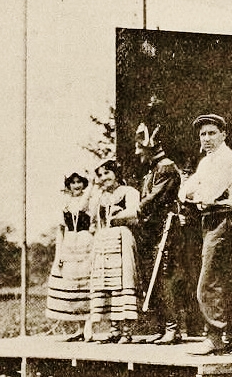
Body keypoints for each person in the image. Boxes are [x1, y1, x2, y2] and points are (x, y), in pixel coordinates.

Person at [178, 114, 232, 355]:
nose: (206, 138)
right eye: (202, 134)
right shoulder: (206, 162)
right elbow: (185, 190)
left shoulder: (228, 159)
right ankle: (230, 337)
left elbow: (208, 194)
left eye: (211, 133)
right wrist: (193, 194)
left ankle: (216, 336)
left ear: (223, 135)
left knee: (209, 281)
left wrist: (196, 196)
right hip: (210, 220)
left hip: (224, 219)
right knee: (219, 281)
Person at [134, 118, 187, 344]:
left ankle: (173, 328)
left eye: (141, 149)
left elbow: (152, 201)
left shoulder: (165, 168)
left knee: (163, 276)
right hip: (152, 230)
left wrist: (132, 211)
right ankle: (162, 325)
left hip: (166, 229)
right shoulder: (152, 170)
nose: (138, 154)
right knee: (152, 277)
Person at [87, 159, 140, 343]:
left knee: (122, 281)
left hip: (122, 240)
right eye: (100, 175)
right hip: (104, 242)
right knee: (106, 283)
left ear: (116, 173)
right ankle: (114, 329)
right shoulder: (100, 198)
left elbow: (135, 215)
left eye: (107, 173)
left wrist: (119, 217)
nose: (104, 178)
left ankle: (126, 330)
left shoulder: (129, 192)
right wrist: (95, 191)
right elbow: (92, 219)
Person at [45, 172, 95, 340]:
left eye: (79, 182)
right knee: (73, 287)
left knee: (87, 284)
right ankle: (79, 327)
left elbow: (83, 208)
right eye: (73, 182)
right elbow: (61, 230)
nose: (76, 185)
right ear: (68, 185)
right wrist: (58, 254)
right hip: (69, 244)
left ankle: (89, 325)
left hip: (86, 241)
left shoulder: (89, 199)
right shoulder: (64, 203)